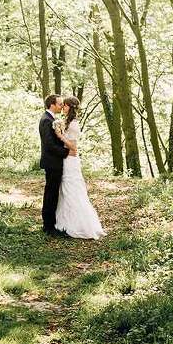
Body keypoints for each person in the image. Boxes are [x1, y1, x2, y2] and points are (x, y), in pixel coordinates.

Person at [51, 95, 105, 239]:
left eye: (66, 105)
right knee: (65, 190)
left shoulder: (74, 125)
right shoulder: (66, 122)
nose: (63, 107)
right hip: (66, 158)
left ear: (71, 108)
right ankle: (63, 222)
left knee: (72, 190)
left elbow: (74, 148)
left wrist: (60, 136)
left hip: (71, 160)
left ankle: (78, 225)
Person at [38, 94, 71, 236]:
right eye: (59, 104)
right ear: (52, 104)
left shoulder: (51, 119)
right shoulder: (46, 120)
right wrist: (66, 151)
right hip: (52, 162)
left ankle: (50, 224)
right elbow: (49, 144)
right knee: (51, 194)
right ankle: (48, 226)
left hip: (54, 162)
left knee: (52, 193)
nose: (61, 106)